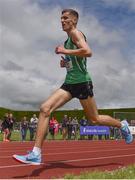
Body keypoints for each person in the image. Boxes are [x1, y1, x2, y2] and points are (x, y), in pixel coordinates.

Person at [13, 9, 133, 165]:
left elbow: (88, 52)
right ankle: (36, 153)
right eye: (61, 18)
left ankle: (121, 125)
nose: (62, 21)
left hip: (82, 83)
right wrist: (66, 64)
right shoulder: (67, 40)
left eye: (65, 18)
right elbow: (78, 61)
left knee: (95, 120)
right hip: (69, 83)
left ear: (74, 21)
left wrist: (65, 51)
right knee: (45, 109)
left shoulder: (76, 33)